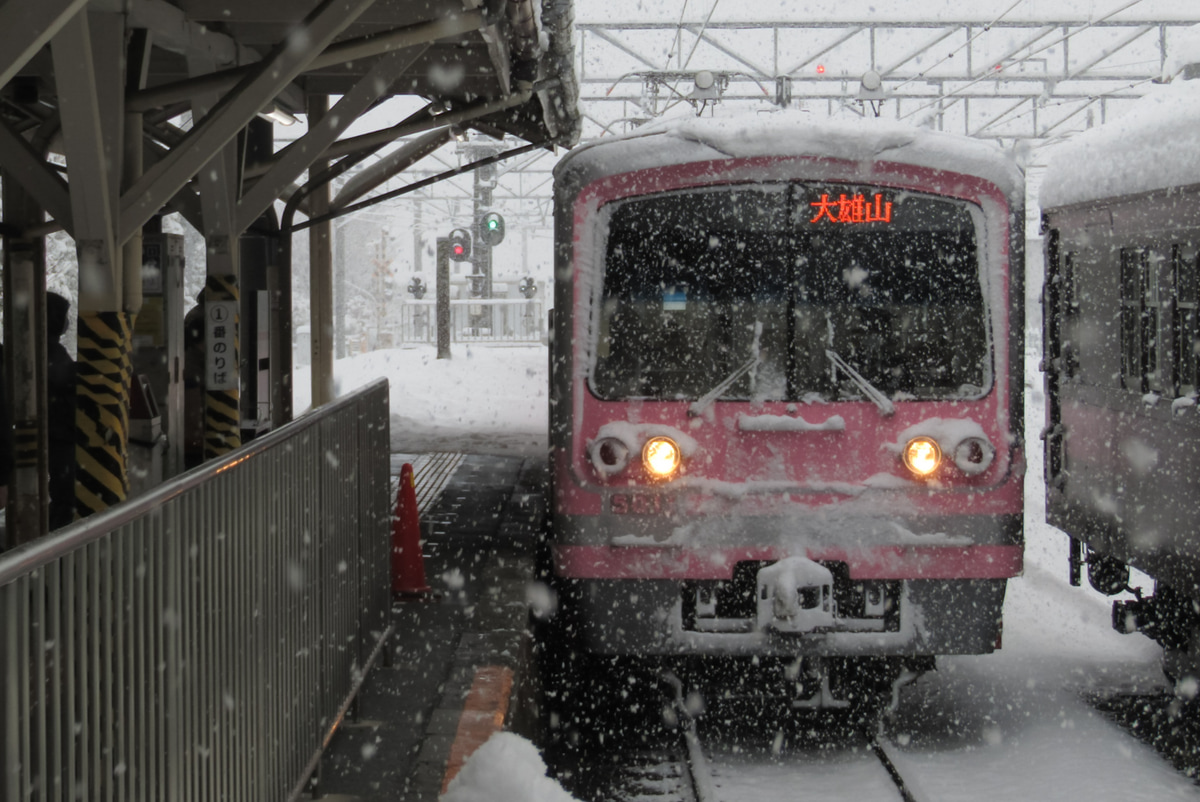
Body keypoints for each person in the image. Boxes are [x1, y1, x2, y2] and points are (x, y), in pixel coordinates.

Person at [46, 292, 76, 529]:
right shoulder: (50, 352)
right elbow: (61, 380)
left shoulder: (50, 349)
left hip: (59, 434)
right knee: (64, 495)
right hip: (60, 435)